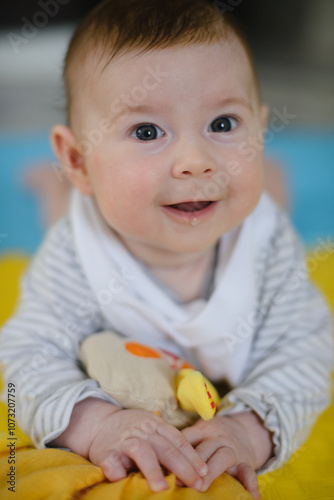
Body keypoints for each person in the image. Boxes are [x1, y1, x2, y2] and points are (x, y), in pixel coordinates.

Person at [0, 1, 332, 498]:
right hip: (90, 214)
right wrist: (96, 424)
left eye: (223, 125)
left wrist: (251, 429)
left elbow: (304, 350)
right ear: (78, 158)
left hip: (244, 209)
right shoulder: (76, 255)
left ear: (260, 132)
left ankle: (272, 183)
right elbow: (26, 355)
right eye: (147, 131)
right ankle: (56, 190)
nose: (195, 162)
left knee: (262, 202)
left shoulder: (266, 245)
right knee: (65, 217)